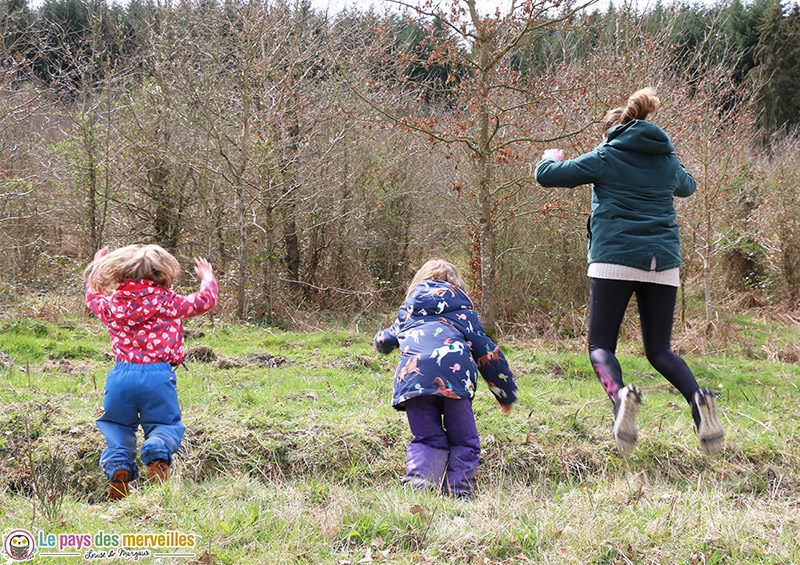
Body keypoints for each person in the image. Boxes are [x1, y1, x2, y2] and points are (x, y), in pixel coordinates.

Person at [534, 88, 724, 457]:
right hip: (662, 262)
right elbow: (688, 186)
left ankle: (620, 396)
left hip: (614, 259)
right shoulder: (665, 158)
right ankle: (698, 399)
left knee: (601, 345)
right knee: (659, 350)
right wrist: (668, 159)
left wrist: (548, 157)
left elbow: (548, 176)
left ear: (611, 132)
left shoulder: (606, 155)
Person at [84, 244, 218, 499]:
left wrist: (96, 269)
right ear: (162, 274)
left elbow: (92, 298)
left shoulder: (113, 303)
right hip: (158, 375)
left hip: (121, 376)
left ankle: (119, 466)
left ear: (121, 274)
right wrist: (208, 278)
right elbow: (205, 301)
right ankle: (157, 448)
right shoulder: (169, 301)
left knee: (117, 425)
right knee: (164, 423)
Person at [374, 259, 518, 498]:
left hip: (415, 381)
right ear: (456, 286)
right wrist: (505, 392)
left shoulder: (408, 311)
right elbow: (487, 353)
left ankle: (420, 490)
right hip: (455, 382)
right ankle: (458, 493)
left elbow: (387, 338)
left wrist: (381, 343)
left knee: (427, 437)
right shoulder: (463, 312)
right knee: (464, 440)